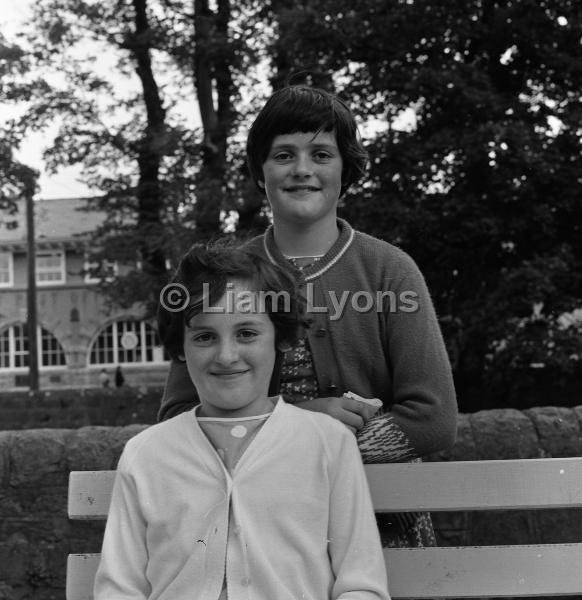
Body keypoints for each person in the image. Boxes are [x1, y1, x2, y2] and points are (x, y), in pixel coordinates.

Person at [159, 84, 458, 546]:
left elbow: (433, 419)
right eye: (283, 155)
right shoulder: (221, 278)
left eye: (321, 154)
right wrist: (301, 425)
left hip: (382, 527)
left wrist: (305, 450)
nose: (302, 170)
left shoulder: (389, 272)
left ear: (345, 169)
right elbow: (178, 416)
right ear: (260, 171)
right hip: (257, 533)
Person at [94, 245, 390, 600]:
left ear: (281, 338)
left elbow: (360, 583)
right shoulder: (145, 454)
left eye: (246, 333)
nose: (227, 356)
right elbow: (119, 588)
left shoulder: (327, 442)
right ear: (179, 348)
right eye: (204, 337)